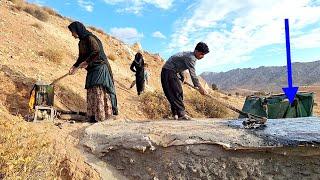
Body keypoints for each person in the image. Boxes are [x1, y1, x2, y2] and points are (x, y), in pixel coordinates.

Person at [68, 21, 118, 123]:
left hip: (100, 67)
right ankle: (93, 116)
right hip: (92, 69)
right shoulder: (81, 42)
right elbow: (81, 57)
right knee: (91, 90)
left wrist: (86, 62)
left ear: (77, 30)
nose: (72, 34)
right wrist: (74, 66)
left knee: (98, 90)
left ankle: (102, 116)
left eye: (72, 32)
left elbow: (96, 52)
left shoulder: (90, 38)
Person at [161, 42, 209, 120]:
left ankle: (176, 114)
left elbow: (178, 63)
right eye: (202, 54)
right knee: (176, 92)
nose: (203, 56)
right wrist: (200, 88)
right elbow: (193, 74)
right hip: (168, 71)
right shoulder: (191, 58)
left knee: (176, 92)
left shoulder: (190, 56)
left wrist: (182, 76)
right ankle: (181, 114)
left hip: (171, 71)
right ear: (196, 51)